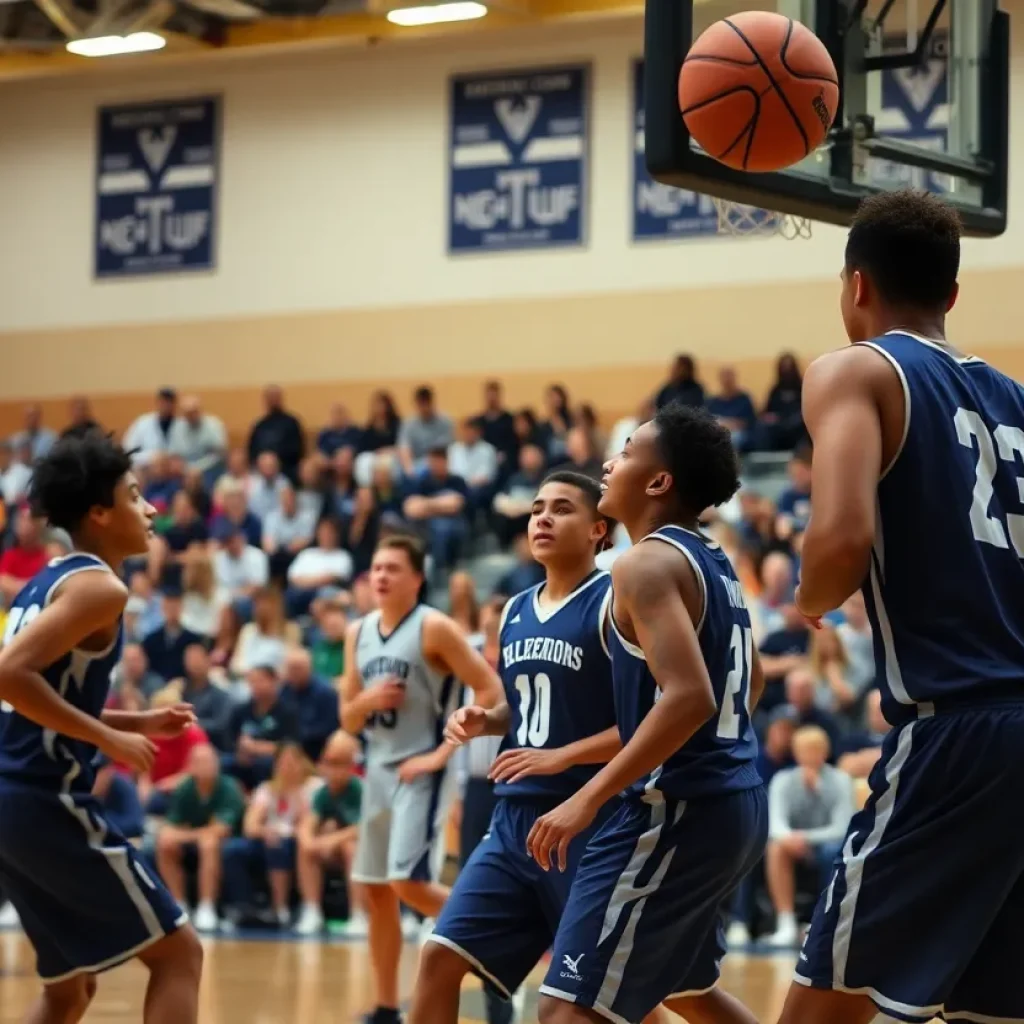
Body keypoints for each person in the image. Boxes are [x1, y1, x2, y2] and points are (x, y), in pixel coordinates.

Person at [774, 190, 1024, 1024]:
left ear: (855, 287)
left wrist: (808, 599)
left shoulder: (856, 368)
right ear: (952, 294)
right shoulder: (1017, 401)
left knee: (824, 1008)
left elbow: (841, 537)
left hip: (958, 729)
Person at [530, 404, 767, 1024]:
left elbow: (690, 697)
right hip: (731, 801)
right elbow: (752, 681)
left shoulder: (642, 563)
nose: (609, 463)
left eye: (628, 452)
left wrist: (588, 797)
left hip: (674, 811)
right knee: (688, 990)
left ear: (659, 482)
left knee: (564, 1011)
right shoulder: (711, 559)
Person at [411, 472, 640, 1024]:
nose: (542, 518)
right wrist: (488, 719)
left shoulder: (614, 603)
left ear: (598, 531)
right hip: (514, 821)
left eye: (562, 509)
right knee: (439, 957)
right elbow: (530, 705)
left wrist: (561, 756)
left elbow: (647, 722)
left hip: (588, 822)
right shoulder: (514, 609)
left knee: (602, 1002)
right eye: (538, 507)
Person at [0, 432, 204, 1024]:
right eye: (136, 496)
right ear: (98, 513)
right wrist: (108, 739)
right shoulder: (100, 587)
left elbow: (34, 697)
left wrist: (133, 719)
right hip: (42, 799)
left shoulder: (48, 579)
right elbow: (9, 676)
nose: (151, 508)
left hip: (10, 802)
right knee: (179, 954)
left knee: (70, 989)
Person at [340, 534, 503, 1024]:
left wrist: (441, 755)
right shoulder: (358, 632)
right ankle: (388, 1006)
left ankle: (496, 940)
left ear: (416, 577)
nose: (381, 576)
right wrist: (366, 703)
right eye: (376, 567)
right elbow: (347, 720)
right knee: (375, 892)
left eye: (392, 568)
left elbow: (490, 687)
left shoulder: (435, 628)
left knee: (407, 881)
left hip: (422, 769)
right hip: (378, 770)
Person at [295, 730, 365, 937]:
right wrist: (310, 842)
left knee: (351, 848)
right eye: (330, 763)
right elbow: (307, 825)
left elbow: (364, 829)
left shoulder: (359, 789)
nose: (334, 770)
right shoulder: (321, 793)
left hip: (367, 853)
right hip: (333, 851)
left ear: (351, 766)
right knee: (305, 850)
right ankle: (311, 911)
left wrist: (331, 839)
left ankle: (359, 914)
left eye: (340, 763)